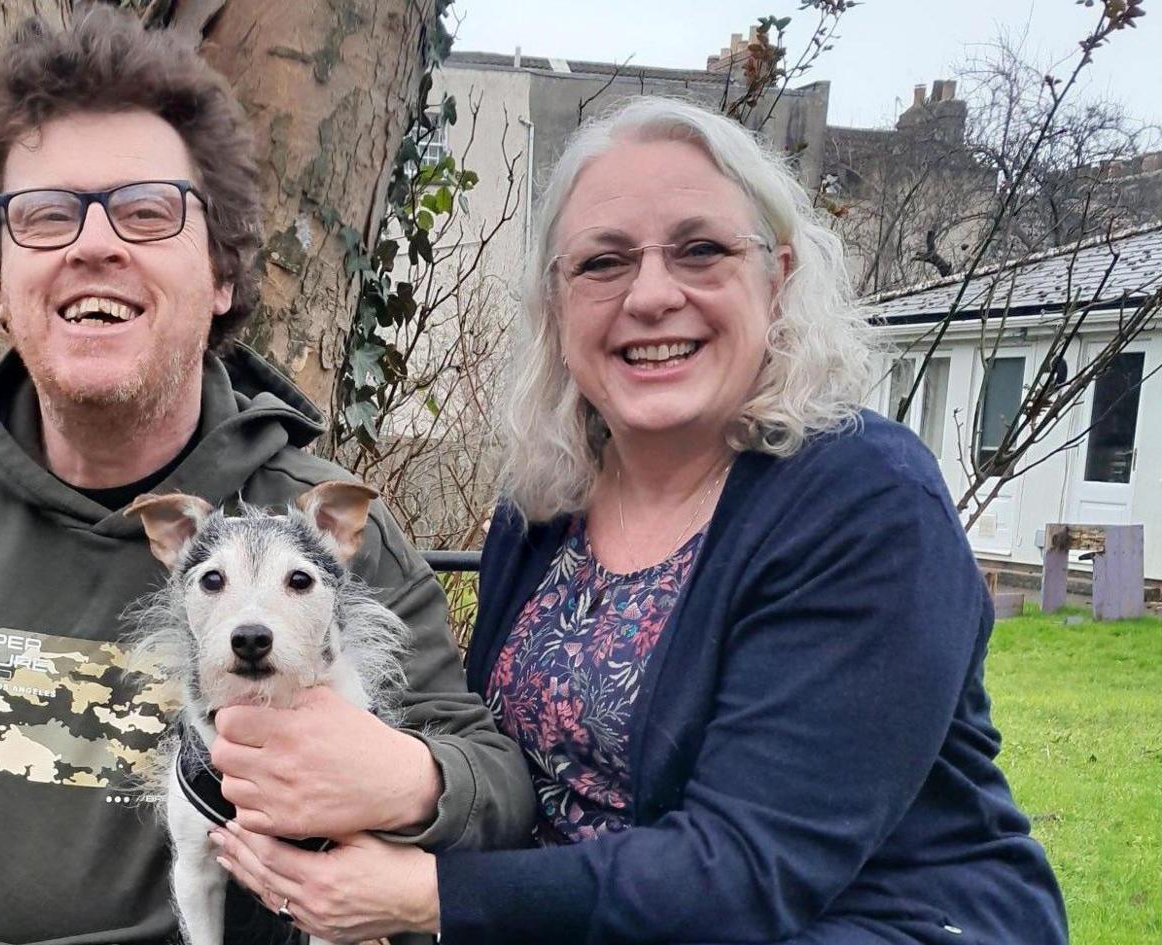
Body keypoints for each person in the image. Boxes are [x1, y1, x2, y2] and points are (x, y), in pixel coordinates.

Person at [0, 10, 533, 945]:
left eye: (146, 210)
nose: (94, 244)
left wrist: (409, 779)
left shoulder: (324, 544)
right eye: (46, 214)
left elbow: (494, 782)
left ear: (221, 273)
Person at [210, 96, 1069, 944]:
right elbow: (505, 772)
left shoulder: (867, 505)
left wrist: (429, 895)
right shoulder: (546, 503)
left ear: (779, 276)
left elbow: (748, 871)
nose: (652, 296)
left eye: (700, 250)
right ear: (556, 302)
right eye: (604, 263)